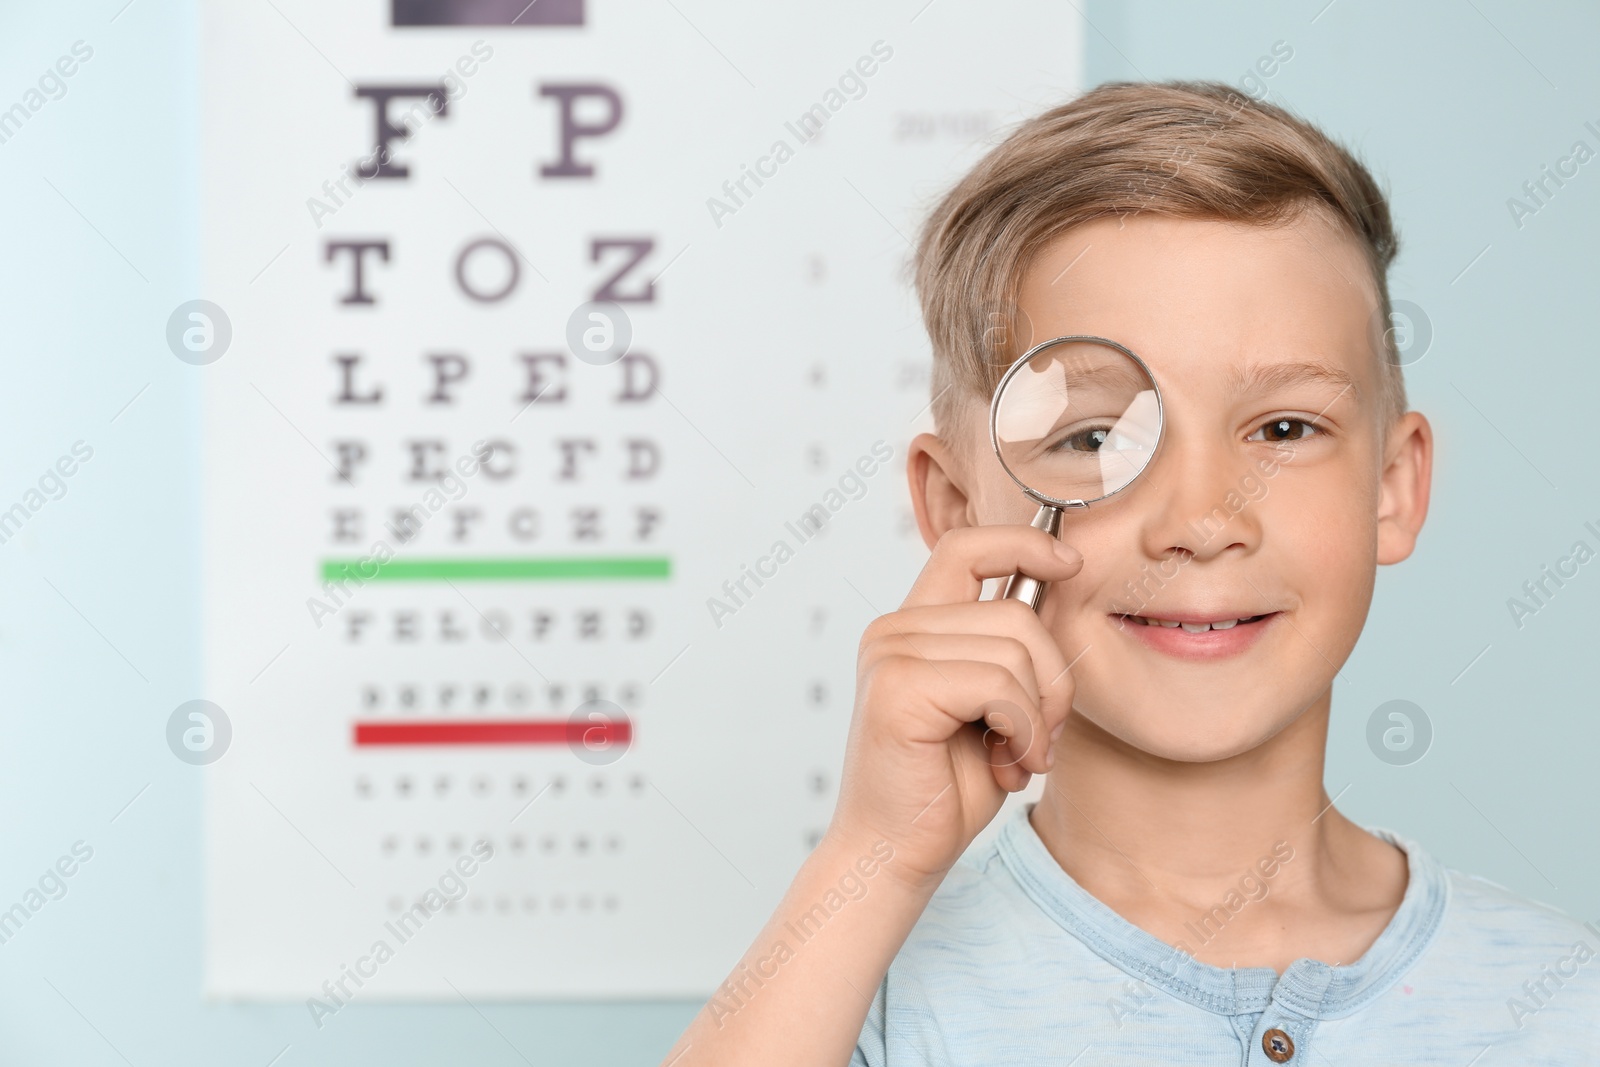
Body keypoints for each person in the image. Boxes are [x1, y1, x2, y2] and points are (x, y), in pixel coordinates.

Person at [664, 80, 1600, 1065]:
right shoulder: (853, 1003)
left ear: (1393, 485)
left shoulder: (1563, 1000)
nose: (1201, 521)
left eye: (1283, 427)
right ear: (953, 507)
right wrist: (874, 860)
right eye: (1095, 434)